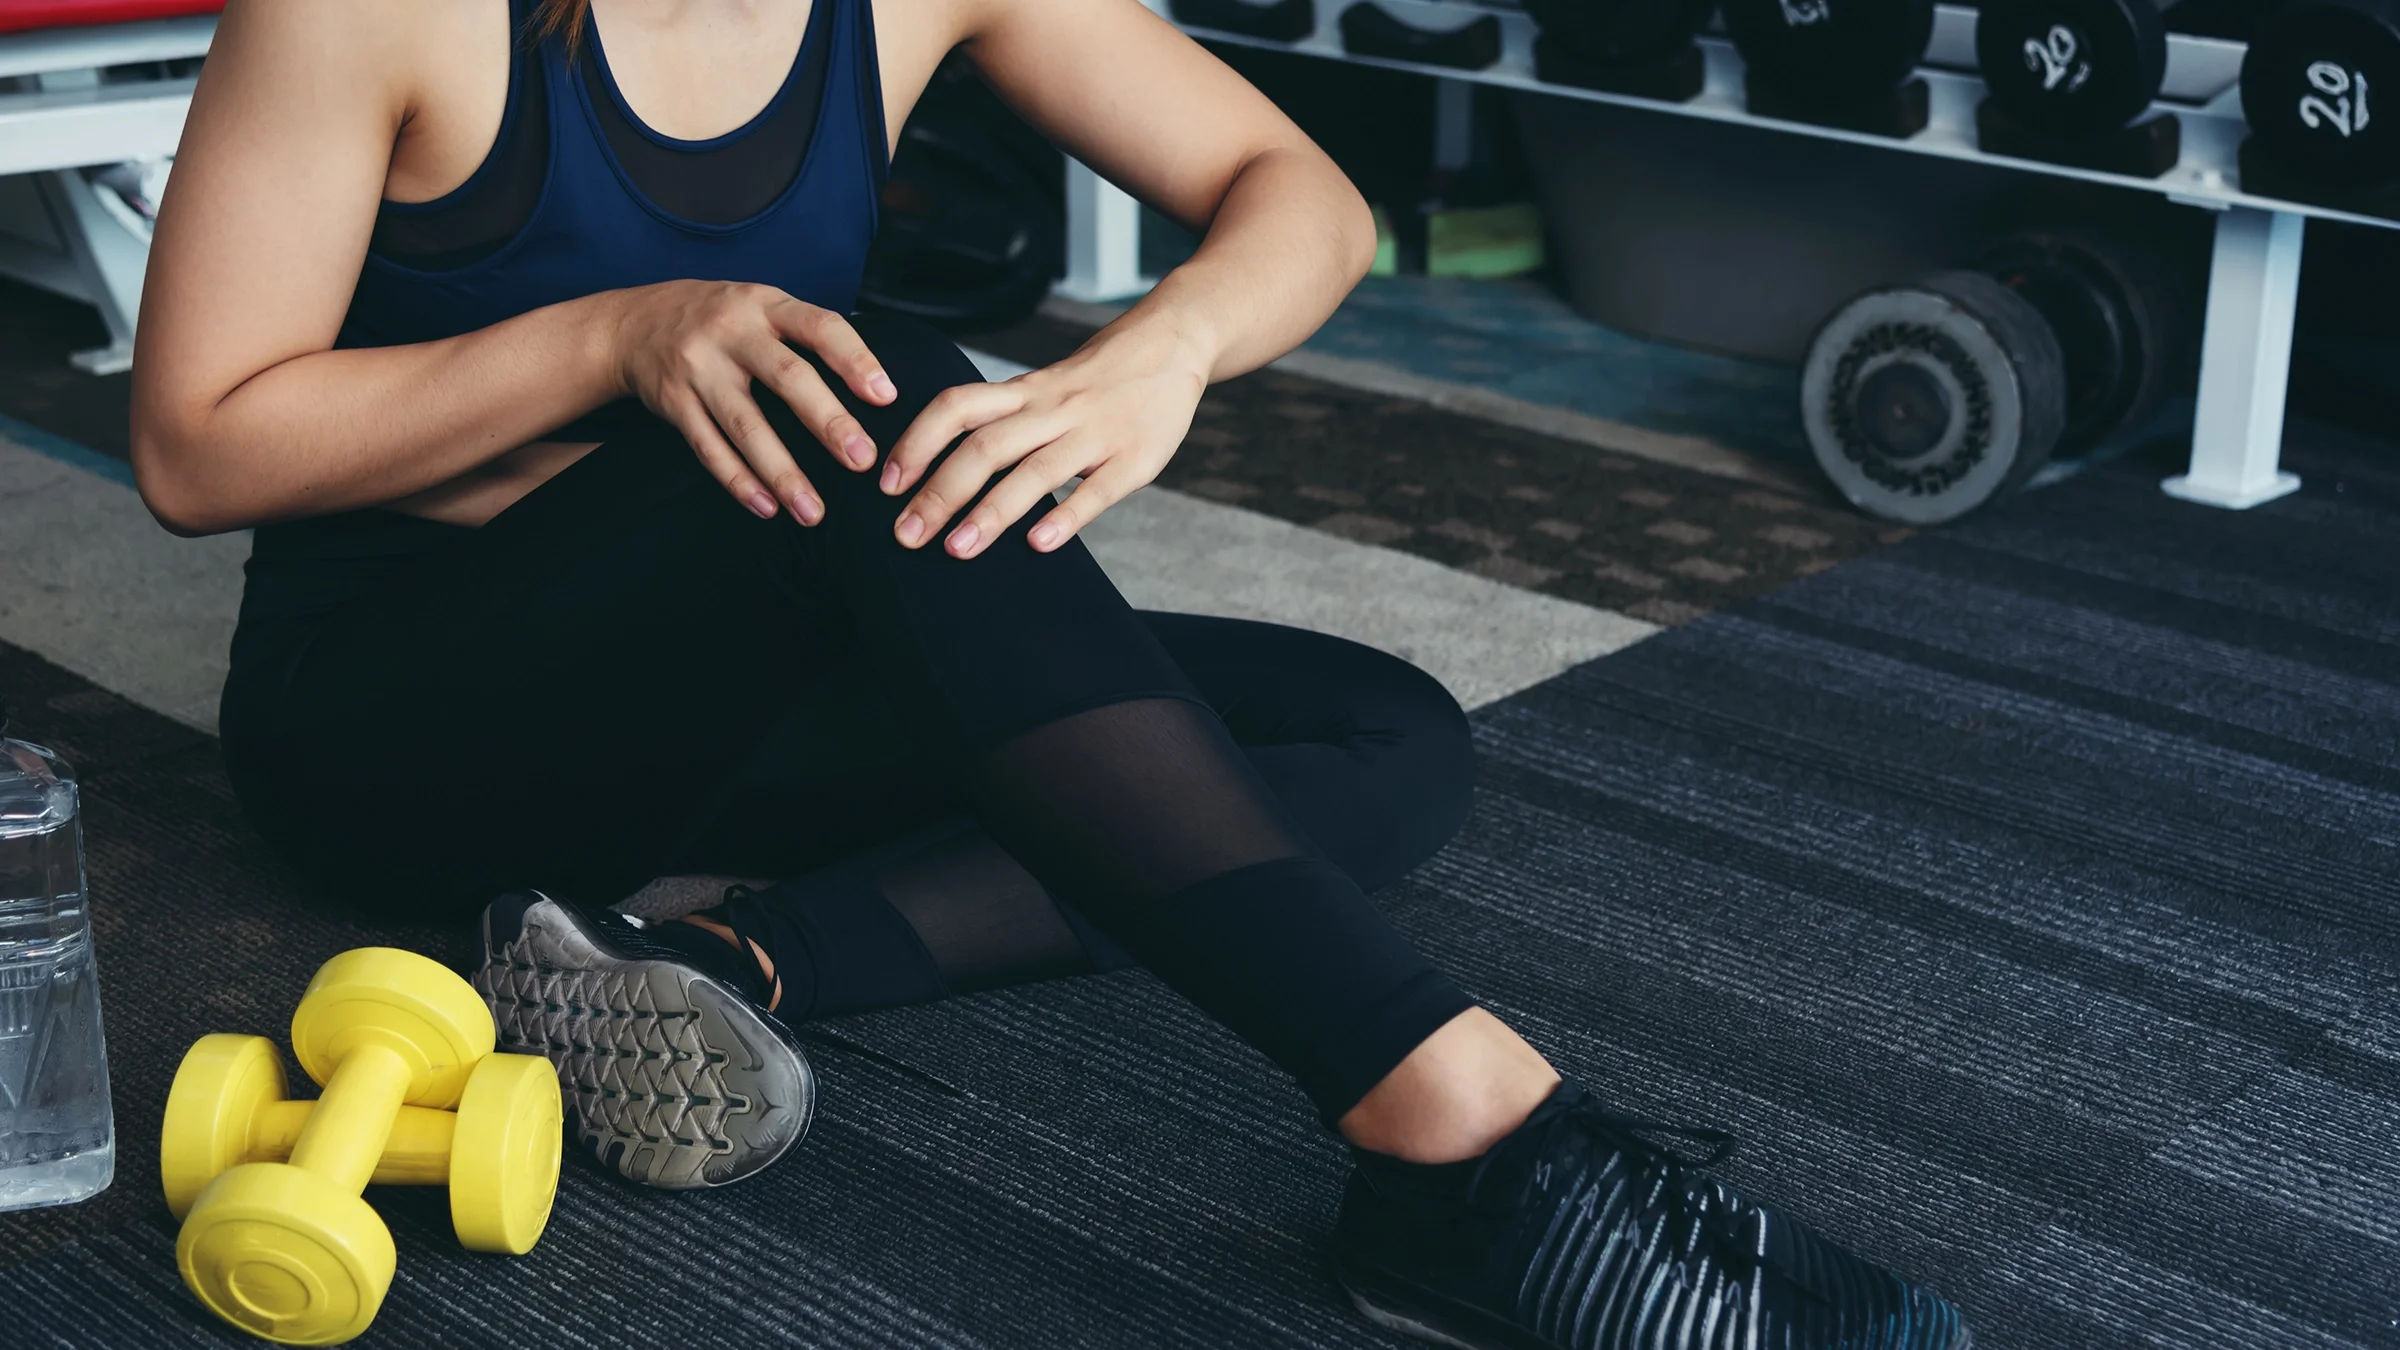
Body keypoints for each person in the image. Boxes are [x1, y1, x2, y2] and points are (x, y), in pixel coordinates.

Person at [128, 0, 1972, 1344]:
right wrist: (617, 338)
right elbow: (199, 445)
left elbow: (1300, 194)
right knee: (877, 387)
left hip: (730, 687)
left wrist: (1165, 349)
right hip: (402, 720)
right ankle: (1469, 1140)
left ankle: (715, 965)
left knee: (1377, 737)